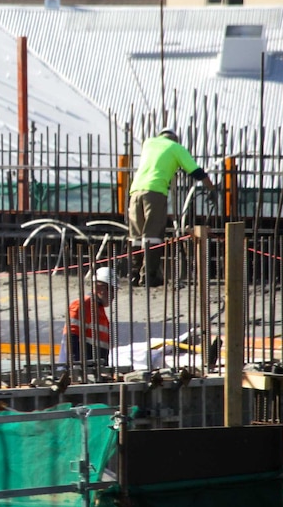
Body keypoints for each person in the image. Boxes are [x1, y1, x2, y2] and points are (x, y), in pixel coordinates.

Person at [128, 127, 216, 287]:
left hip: (135, 191)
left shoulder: (148, 143)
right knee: (152, 235)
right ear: (175, 138)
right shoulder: (176, 148)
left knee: (136, 236)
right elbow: (196, 172)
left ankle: (133, 274)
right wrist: (212, 189)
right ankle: (148, 276)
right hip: (155, 191)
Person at [57, 266, 118, 365]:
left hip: (94, 371)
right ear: (100, 288)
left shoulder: (100, 311)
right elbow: (71, 339)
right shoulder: (82, 305)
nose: (114, 296)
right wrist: (76, 369)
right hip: (80, 372)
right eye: (112, 290)